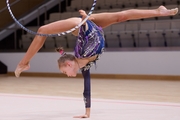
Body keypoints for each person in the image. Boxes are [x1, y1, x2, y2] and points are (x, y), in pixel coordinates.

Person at [15, 6, 178, 118]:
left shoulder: (82, 52)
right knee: (121, 16)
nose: (67, 75)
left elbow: (88, 34)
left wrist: (85, 18)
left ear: (69, 64)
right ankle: (159, 11)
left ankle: (24, 62)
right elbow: (87, 87)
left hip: (82, 26)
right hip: (92, 26)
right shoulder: (84, 65)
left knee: (42, 30)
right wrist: (87, 112)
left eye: (65, 72)